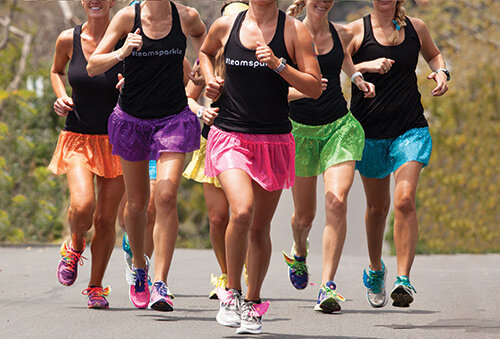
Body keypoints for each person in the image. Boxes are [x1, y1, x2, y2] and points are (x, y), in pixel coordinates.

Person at [199, 0, 322, 334]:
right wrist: (211, 81)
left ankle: (252, 304)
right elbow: (206, 52)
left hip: (273, 140)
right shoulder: (227, 25)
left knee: (259, 228)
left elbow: (314, 86)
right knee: (242, 211)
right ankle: (231, 294)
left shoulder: (294, 31)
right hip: (230, 135)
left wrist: (280, 65)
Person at [87, 0, 206, 310]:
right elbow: (93, 65)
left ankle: (161, 283)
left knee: (165, 196)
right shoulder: (128, 17)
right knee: (138, 205)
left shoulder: (186, 16)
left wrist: (202, 65)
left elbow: (204, 40)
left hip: (173, 118)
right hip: (132, 120)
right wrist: (122, 52)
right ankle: (139, 267)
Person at [347, 0, 449, 308]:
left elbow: (433, 54)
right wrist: (364, 67)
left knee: (405, 199)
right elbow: (333, 62)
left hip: (410, 130)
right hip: (370, 134)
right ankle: (376, 268)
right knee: (377, 208)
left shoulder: (416, 28)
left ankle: (403, 279)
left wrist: (441, 71)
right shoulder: (354, 31)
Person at [284, 0, 375, 313]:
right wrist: (306, 89)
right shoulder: (286, 35)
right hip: (299, 132)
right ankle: (299, 250)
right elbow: (272, 90)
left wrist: (356, 77)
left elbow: (343, 59)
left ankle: (327, 287)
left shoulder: (339, 32)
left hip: (340, 127)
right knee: (304, 216)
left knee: (337, 200)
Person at [49, 0, 124, 309]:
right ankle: (75, 243)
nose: (95, 0)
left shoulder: (126, 42)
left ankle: (95, 286)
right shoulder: (69, 38)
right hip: (78, 136)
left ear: (112, 2)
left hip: (119, 140)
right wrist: (61, 96)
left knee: (106, 220)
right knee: (83, 206)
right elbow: (56, 71)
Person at [182, 0, 249, 301]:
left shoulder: (256, 58)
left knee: (243, 213)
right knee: (218, 217)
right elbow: (186, 99)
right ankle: (225, 273)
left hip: (250, 142)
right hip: (213, 141)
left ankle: (240, 272)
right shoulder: (208, 60)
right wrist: (200, 112)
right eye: (229, 21)